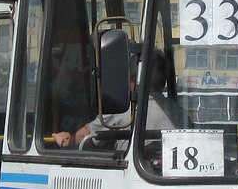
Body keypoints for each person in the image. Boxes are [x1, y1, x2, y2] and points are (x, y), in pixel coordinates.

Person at [52, 50, 181, 148]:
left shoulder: (125, 107)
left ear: (134, 78)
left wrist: (67, 140)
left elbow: (87, 134)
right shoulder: (177, 111)